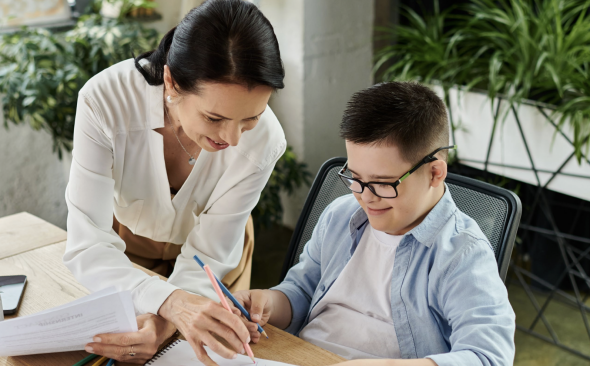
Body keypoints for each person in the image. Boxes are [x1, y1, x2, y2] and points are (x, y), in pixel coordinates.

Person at [63, 0, 286, 364]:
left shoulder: (267, 140)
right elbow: (88, 242)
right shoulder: (105, 100)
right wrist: (168, 303)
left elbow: (212, 252)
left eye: (250, 119)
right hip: (127, 248)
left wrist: (167, 320)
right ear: (171, 81)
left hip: (213, 263)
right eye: (214, 118)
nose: (231, 139)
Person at [234, 82, 516, 366]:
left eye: (382, 183)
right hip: (302, 356)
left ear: (434, 173)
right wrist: (268, 303)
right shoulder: (338, 216)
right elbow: (302, 291)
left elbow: (489, 357)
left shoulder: (463, 254)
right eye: (355, 177)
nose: (364, 197)